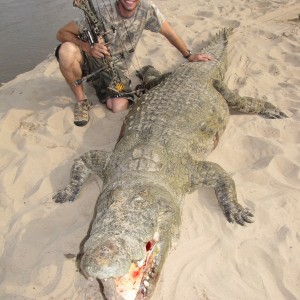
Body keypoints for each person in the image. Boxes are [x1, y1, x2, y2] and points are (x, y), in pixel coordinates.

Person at [56, 0, 213, 126]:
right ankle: (82, 101)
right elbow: (61, 33)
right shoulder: (101, 11)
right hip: (90, 59)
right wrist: (87, 47)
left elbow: (170, 34)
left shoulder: (147, 9)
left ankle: (100, 86)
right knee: (66, 51)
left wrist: (189, 55)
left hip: (114, 68)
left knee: (118, 107)